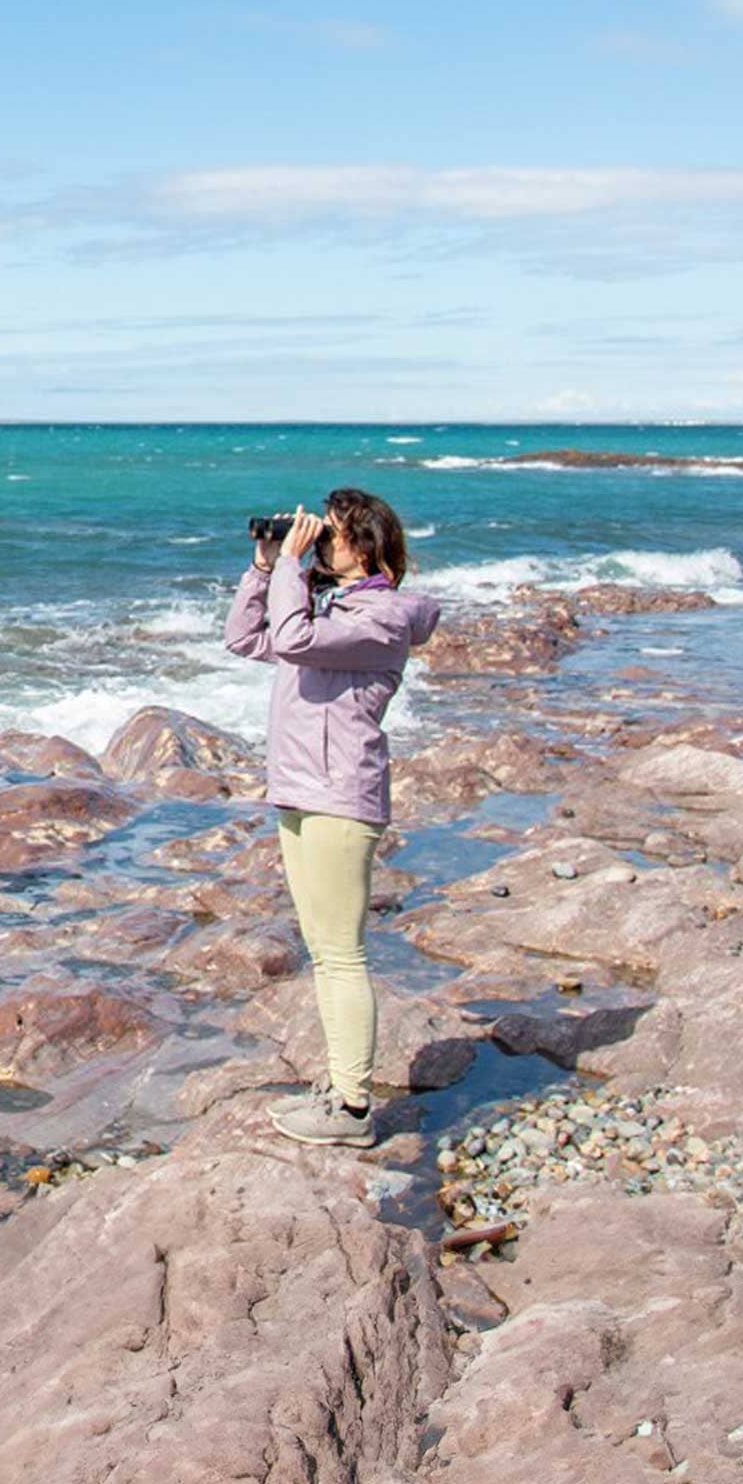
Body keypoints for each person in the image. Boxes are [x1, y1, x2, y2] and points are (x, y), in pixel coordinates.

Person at [223, 488, 442, 1147]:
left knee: (342, 954)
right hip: (300, 791)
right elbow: (245, 638)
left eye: (331, 533)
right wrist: (264, 568)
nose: (319, 540)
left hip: (339, 797)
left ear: (366, 546)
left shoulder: (383, 619)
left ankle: (351, 1109)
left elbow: (292, 638)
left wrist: (291, 569)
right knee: (324, 952)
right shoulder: (334, 609)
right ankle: (342, 1086)